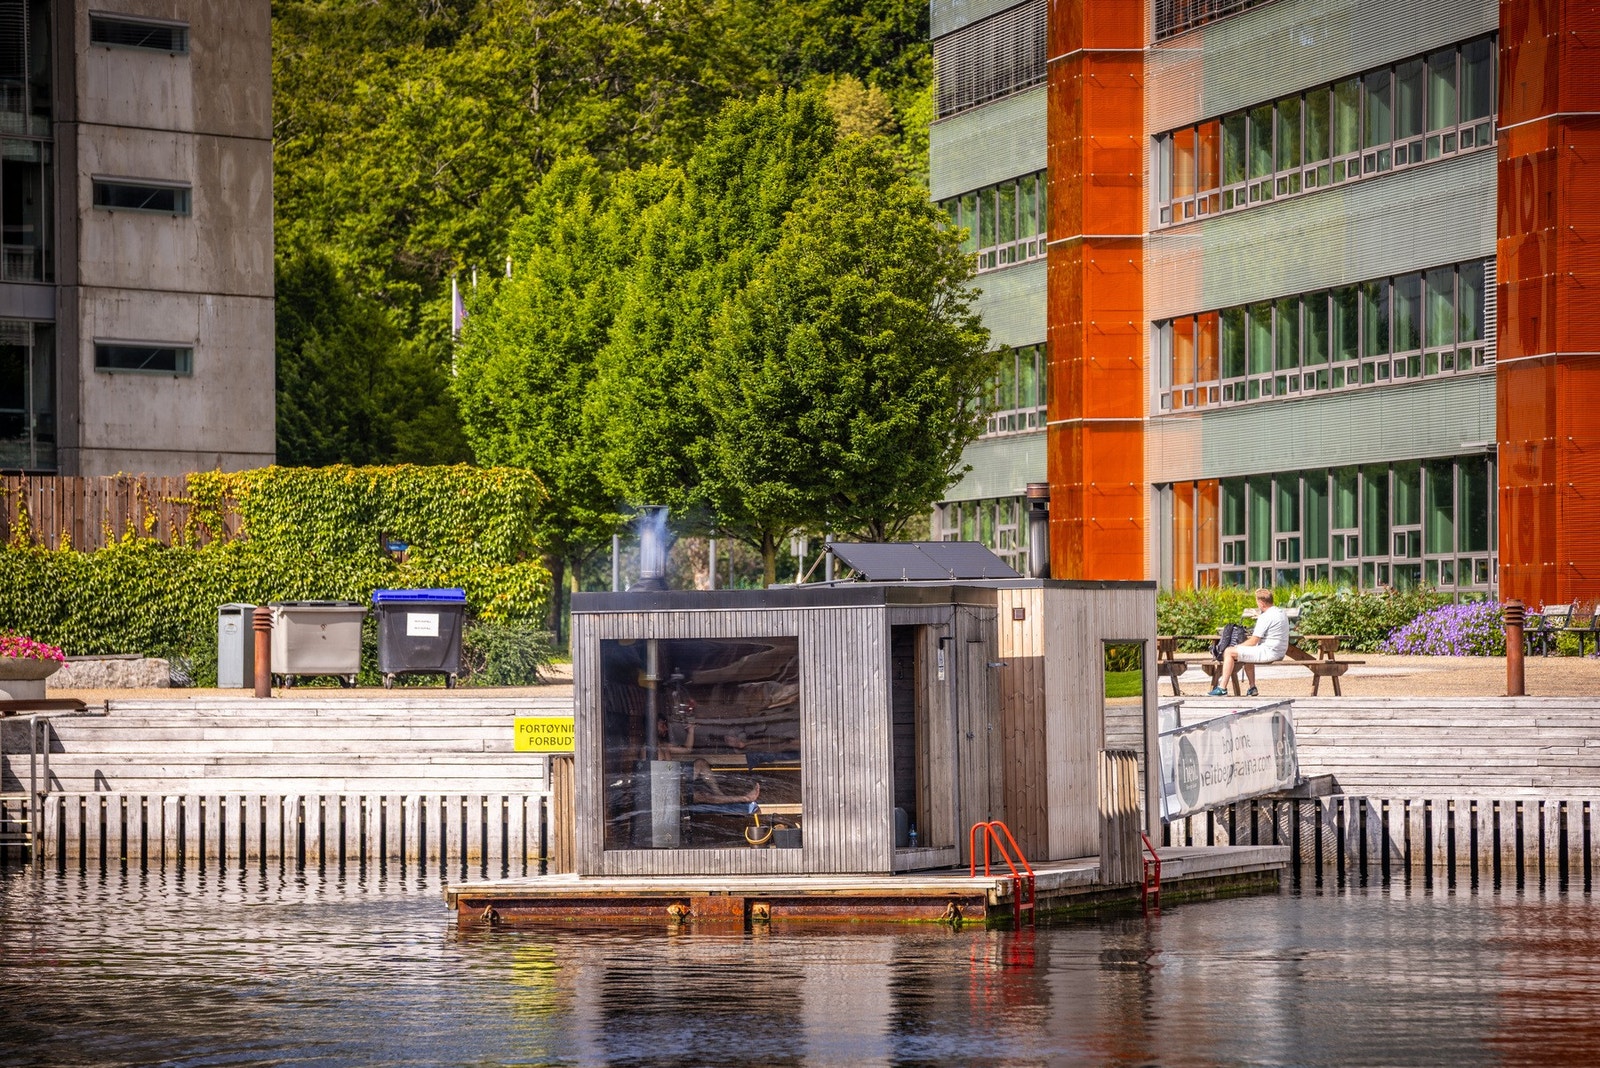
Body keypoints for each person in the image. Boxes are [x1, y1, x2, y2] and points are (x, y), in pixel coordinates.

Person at [1210, 588, 1289, 697]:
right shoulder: (1281, 612)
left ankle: (1222, 688)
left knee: (1229, 651)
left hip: (1269, 652)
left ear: (1261, 603)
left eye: (1257, 602)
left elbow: (1253, 641)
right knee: (1248, 653)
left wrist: (1237, 647)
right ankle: (1252, 687)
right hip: (1280, 651)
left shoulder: (1265, 617)